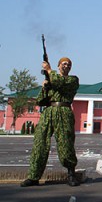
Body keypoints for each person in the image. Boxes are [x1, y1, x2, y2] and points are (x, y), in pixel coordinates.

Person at [21, 57, 80, 188]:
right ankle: (34, 176)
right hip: (48, 112)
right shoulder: (52, 80)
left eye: (69, 64)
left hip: (64, 110)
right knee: (40, 143)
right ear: (59, 66)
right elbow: (40, 101)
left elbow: (60, 83)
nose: (66, 66)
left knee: (66, 144)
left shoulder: (72, 80)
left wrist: (49, 70)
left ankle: (71, 174)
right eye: (63, 64)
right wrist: (45, 87)